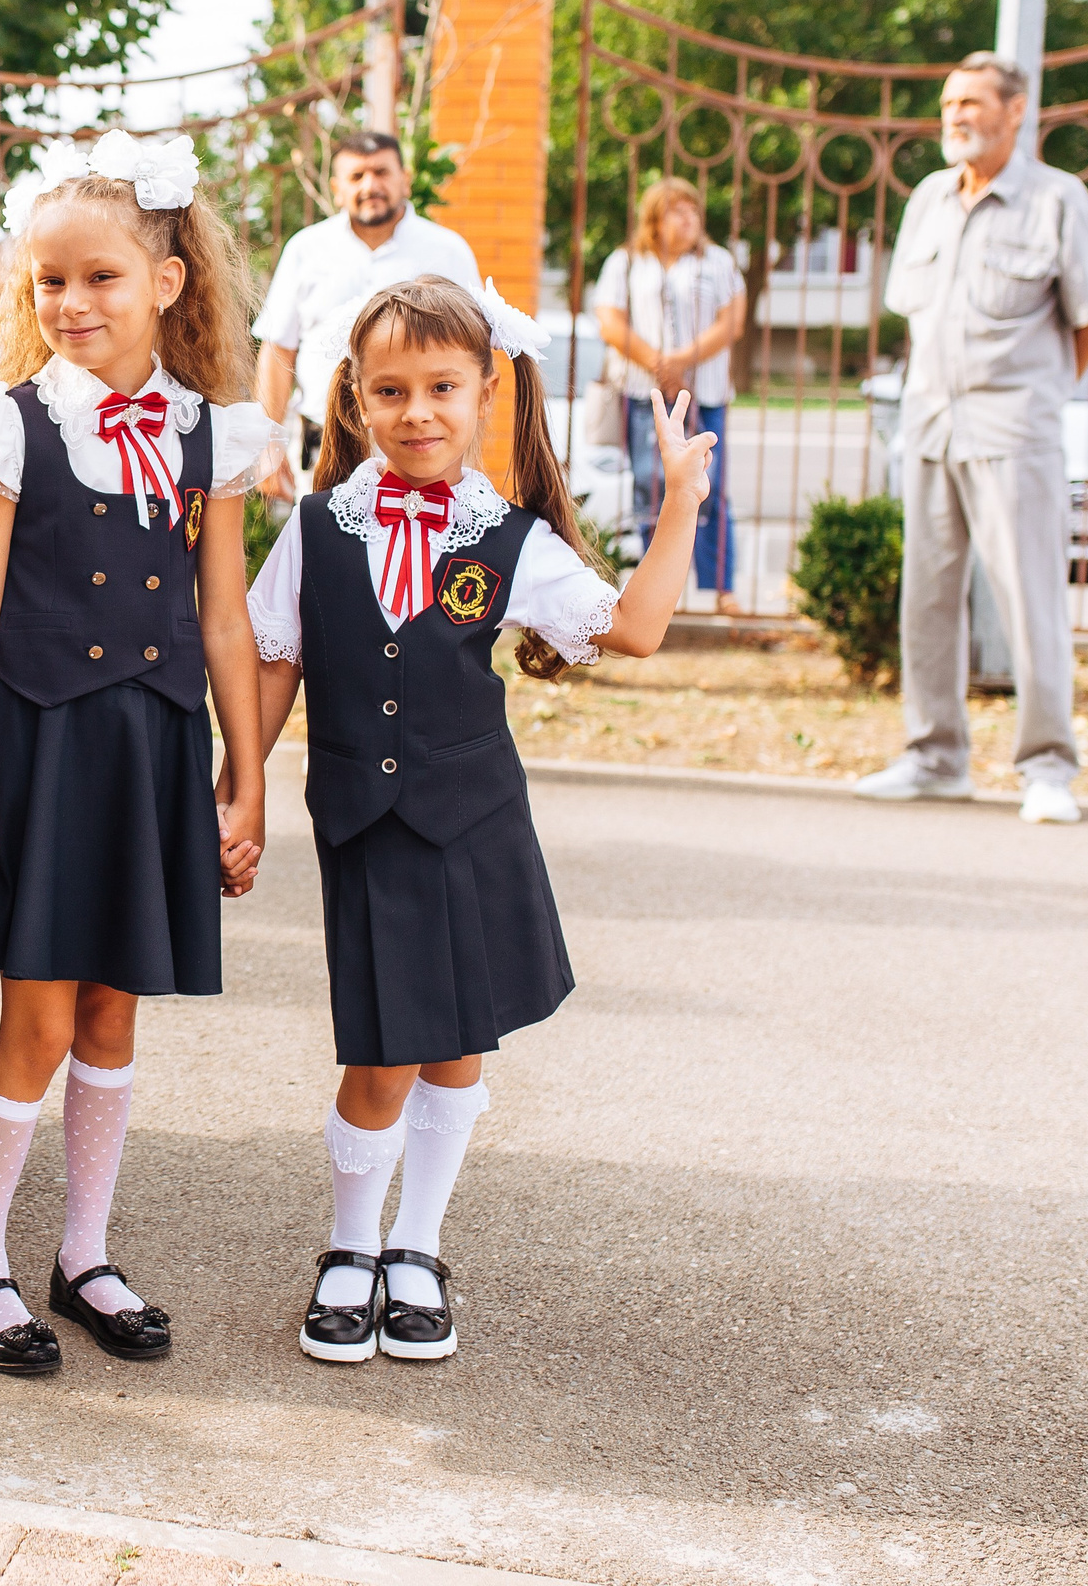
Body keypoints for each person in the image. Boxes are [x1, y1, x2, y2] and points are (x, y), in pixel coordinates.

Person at [249, 275, 712, 1364]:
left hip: (474, 825)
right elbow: (275, 662)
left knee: (455, 1046)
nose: (418, 412)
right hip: (364, 825)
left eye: (442, 388)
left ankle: (416, 1246)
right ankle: (347, 1246)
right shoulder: (316, 530)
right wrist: (237, 793)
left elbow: (636, 630)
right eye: (392, 391)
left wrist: (681, 498)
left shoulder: (509, 538)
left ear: (484, 393)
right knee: (377, 1056)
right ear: (354, 403)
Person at [0, 131, 278, 1374]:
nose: (71, 304)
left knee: (114, 1015)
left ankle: (83, 1252)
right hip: (37, 750)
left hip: (150, 751)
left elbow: (226, 619)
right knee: (34, 1020)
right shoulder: (8, 428)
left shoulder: (212, 435)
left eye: (101, 280)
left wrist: (245, 775)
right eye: (48, 283)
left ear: (168, 283)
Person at [857, 54, 1088, 827]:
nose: (954, 115)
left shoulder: (1057, 200)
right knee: (927, 599)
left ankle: (1048, 767)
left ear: (1016, 110)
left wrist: (1037, 396)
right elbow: (913, 310)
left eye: (970, 102)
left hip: (1013, 429)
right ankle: (934, 758)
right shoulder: (930, 197)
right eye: (948, 103)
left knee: (1030, 599)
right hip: (930, 422)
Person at [252, 132, 479, 481]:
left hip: (422, 447)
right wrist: (267, 442)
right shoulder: (306, 249)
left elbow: (473, 355)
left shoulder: (448, 252)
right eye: (357, 176)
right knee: (319, 536)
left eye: (381, 172)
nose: (370, 185)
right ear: (336, 188)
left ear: (405, 180)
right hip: (324, 447)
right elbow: (278, 348)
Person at [592, 177, 747, 613]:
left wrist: (682, 360)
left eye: (693, 210)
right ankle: (661, 589)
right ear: (655, 220)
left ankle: (722, 587)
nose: (689, 218)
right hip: (645, 394)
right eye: (678, 211)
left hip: (706, 393)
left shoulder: (718, 262)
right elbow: (610, 321)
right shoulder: (626, 262)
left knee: (711, 487)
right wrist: (659, 364)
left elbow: (730, 322)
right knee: (650, 486)